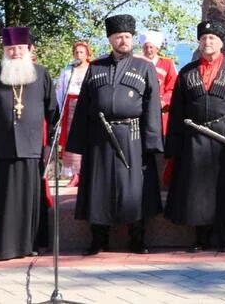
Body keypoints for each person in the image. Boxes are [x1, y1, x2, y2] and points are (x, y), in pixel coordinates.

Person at [67, 13, 164, 255]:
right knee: (98, 188)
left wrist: (152, 142)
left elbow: (152, 106)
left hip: (132, 136)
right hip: (99, 138)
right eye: (119, 37)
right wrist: (75, 147)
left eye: (128, 36)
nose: (124, 41)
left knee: (133, 189)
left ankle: (137, 238)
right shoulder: (96, 67)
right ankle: (99, 238)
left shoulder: (144, 67)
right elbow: (82, 108)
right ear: (110, 39)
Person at [164, 21, 225, 252]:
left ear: (221, 42)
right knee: (196, 191)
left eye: (212, 38)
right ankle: (201, 237)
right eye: (204, 38)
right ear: (199, 42)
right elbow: (177, 109)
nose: (208, 42)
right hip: (193, 140)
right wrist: (174, 144)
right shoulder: (187, 72)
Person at [0, 27, 58, 260]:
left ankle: (30, 244)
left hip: (33, 151)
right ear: (4, 50)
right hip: (0, 151)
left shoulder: (42, 75)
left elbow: (54, 115)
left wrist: (50, 149)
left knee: (29, 202)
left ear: (29, 49)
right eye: (10, 49)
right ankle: (2, 247)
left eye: (20, 48)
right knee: (2, 203)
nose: (15, 53)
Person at [55, 41, 92, 186]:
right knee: (71, 139)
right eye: (76, 52)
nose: (79, 54)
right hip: (70, 105)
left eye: (82, 52)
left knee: (86, 137)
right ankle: (74, 174)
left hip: (86, 105)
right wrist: (60, 110)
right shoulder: (68, 70)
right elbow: (60, 90)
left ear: (87, 54)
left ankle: (86, 172)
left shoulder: (92, 69)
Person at [139, 30, 178, 137]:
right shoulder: (137, 64)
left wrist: (163, 101)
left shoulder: (167, 63)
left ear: (157, 48)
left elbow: (173, 87)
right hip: (141, 111)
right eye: (146, 47)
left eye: (151, 47)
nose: (148, 50)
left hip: (162, 112)